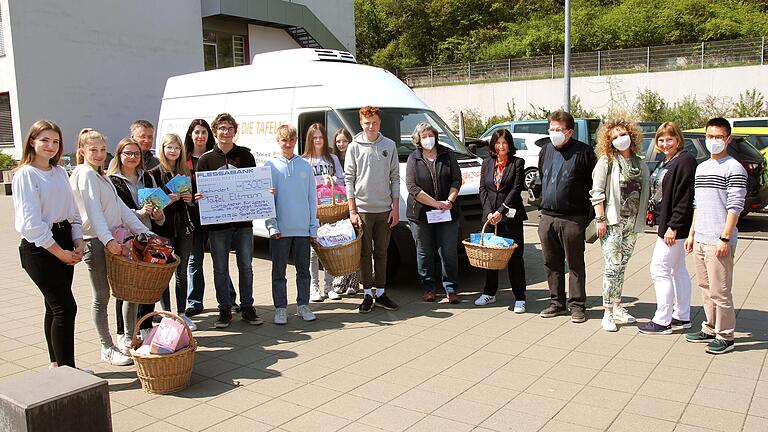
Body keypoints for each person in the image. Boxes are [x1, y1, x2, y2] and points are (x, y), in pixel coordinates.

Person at [70, 128, 152, 366]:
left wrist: (145, 232)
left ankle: (128, 339)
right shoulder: (84, 173)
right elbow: (93, 212)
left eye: (102, 150)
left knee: (129, 291)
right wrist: (108, 241)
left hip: (114, 239)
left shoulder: (102, 176)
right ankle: (106, 346)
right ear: (82, 151)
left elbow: (122, 210)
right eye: (93, 149)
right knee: (102, 296)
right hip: (96, 241)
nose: (98, 154)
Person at [13, 120, 84, 370]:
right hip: (41, 249)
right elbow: (31, 224)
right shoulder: (25, 174)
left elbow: (73, 212)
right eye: (45, 139)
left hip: (65, 242)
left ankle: (58, 366)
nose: (50, 146)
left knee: (53, 308)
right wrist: (59, 253)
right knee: (66, 308)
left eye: (55, 141)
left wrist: (78, 242)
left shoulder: (59, 173)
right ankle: (69, 372)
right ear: (32, 141)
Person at [684, 118, 747, 354]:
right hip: (701, 238)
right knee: (705, 286)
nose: (714, 141)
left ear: (728, 139)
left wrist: (725, 237)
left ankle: (726, 336)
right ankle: (710, 327)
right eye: (710, 136)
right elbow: (697, 204)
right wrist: (692, 234)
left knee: (720, 291)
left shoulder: (734, 168)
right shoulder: (702, 168)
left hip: (719, 241)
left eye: (719, 137)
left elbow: (735, 206)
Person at [196, 113, 262, 328]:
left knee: (246, 266)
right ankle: (224, 309)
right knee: (220, 268)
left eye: (229, 128)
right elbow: (201, 191)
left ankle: (247, 307)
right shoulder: (206, 160)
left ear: (235, 131)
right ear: (215, 132)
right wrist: (200, 197)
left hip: (243, 223)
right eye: (222, 128)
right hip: (218, 225)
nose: (226, 132)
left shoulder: (245, 156)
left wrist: (264, 191)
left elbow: (254, 185)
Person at [590, 119, 650, 332]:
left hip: (632, 223)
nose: (619, 139)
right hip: (612, 222)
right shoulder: (607, 161)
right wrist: (600, 219)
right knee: (612, 266)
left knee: (622, 267)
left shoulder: (639, 163)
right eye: (614, 137)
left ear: (631, 135)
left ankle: (617, 307)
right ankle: (606, 312)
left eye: (623, 134)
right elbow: (597, 192)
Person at [538, 110, 597, 323]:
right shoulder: (545, 150)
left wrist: (591, 217)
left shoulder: (584, 152)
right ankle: (556, 303)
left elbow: (594, 185)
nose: (554, 133)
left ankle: (577, 305)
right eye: (551, 129)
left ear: (570, 132)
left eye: (559, 130)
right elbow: (541, 176)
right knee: (551, 263)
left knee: (575, 263)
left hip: (573, 218)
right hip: (547, 217)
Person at [638, 122, 696, 335]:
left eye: (669, 139)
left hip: (674, 227)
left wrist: (673, 226)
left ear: (678, 139)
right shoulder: (668, 160)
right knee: (677, 269)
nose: (665, 143)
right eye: (661, 140)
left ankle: (662, 320)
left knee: (659, 269)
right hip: (668, 224)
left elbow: (684, 198)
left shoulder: (685, 161)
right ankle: (682, 316)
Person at [107, 137, 165, 340]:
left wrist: (158, 215)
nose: (132, 157)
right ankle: (124, 333)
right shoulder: (111, 181)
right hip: (125, 241)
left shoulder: (148, 177)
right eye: (128, 153)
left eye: (136, 154)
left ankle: (145, 326)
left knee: (148, 286)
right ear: (119, 155)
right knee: (126, 288)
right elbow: (114, 212)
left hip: (148, 238)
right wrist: (139, 212)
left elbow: (160, 210)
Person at [345, 106, 400, 313]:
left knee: (382, 253)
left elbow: (395, 178)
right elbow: (348, 179)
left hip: (384, 210)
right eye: (367, 123)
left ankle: (381, 292)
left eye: (374, 122)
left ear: (379, 123)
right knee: (365, 254)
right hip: (363, 210)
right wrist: (352, 210)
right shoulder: (354, 147)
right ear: (361, 123)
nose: (371, 126)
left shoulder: (390, 145)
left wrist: (395, 209)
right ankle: (367, 294)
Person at [265, 125, 319, 324]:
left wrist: (313, 227)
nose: (287, 144)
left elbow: (312, 199)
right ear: (278, 141)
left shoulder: (305, 166)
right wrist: (272, 225)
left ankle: (303, 305)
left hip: (302, 229)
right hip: (281, 229)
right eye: (283, 141)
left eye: (291, 140)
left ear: (296, 141)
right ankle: (280, 308)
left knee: (303, 271)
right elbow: (266, 201)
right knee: (278, 271)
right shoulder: (269, 166)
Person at [183, 119, 237, 316]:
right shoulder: (184, 160)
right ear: (191, 135)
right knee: (194, 260)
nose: (200, 136)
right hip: (193, 218)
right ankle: (194, 301)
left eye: (203, 132)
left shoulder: (215, 157)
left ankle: (230, 298)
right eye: (197, 132)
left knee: (220, 259)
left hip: (216, 217)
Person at [405, 122, 462, 304]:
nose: (428, 139)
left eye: (431, 135)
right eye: (424, 136)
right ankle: (429, 288)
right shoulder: (413, 158)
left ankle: (451, 289)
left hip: (447, 211)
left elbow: (456, 179)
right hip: (421, 214)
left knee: (448, 251)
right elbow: (412, 187)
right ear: (418, 140)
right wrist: (435, 203)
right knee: (424, 252)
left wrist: (449, 201)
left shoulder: (447, 153)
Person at [476, 128, 528, 311]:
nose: (501, 146)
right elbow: (483, 189)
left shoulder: (517, 163)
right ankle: (489, 292)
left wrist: (501, 211)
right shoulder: (487, 163)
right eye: (497, 143)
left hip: (510, 218)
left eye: (504, 143)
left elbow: (516, 189)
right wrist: (490, 211)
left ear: (509, 145)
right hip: (491, 218)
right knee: (491, 257)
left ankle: (520, 296)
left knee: (515, 257)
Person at [150, 133, 196, 330]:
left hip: (184, 228)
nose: (173, 151)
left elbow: (193, 203)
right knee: (163, 273)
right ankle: (166, 313)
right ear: (163, 148)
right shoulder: (153, 173)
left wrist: (190, 200)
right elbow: (150, 205)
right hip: (164, 229)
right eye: (169, 147)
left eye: (177, 148)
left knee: (182, 271)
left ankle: (182, 313)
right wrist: (168, 199)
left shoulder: (185, 172)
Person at [301, 123, 345, 302]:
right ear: (309, 140)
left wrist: (332, 179)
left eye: (320, 137)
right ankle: (314, 287)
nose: (318, 140)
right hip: (312, 211)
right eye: (314, 137)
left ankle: (329, 286)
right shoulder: (304, 160)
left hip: (331, 209)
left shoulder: (332, 158)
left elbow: (342, 180)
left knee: (329, 247)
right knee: (313, 251)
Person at [330, 128, 360, 296]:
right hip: (337, 207)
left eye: (344, 141)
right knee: (340, 243)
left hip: (354, 205)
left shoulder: (355, 156)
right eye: (338, 141)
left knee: (353, 243)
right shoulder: (333, 159)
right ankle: (341, 278)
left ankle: (354, 281)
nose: (341, 144)